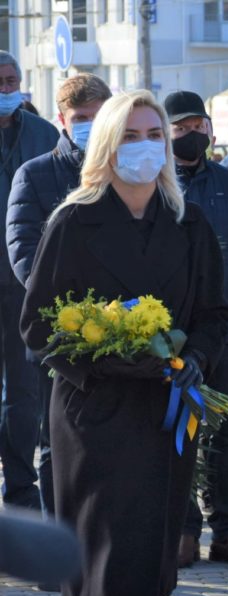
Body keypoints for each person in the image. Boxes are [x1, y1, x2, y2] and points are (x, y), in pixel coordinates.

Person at [20, 89, 228, 596]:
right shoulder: (73, 220)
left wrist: (192, 357)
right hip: (94, 413)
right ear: (108, 146)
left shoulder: (189, 224)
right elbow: (38, 327)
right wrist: (110, 355)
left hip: (164, 408)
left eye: (154, 135)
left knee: (149, 547)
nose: (145, 147)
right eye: (131, 136)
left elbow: (217, 312)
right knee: (112, 543)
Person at [162, 90, 228, 569]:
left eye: (196, 125)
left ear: (209, 128)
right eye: (179, 128)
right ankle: (183, 529)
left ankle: (226, 530)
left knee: (227, 435)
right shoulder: (155, 184)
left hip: (227, 332)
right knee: (177, 431)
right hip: (172, 335)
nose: (190, 135)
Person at [7, 73, 112, 524]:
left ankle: (107, 540)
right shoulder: (35, 174)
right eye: (80, 118)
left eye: (98, 116)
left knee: (114, 441)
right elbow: (23, 250)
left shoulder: (129, 172)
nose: (90, 125)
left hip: (123, 329)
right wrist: (67, 314)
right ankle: (59, 546)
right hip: (61, 331)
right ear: (61, 120)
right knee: (58, 440)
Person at [0, 51, 59, 511]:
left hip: (25, 284)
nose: (7, 90)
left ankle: (21, 493)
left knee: (23, 397)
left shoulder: (42, 135)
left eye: (12, 80)